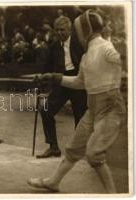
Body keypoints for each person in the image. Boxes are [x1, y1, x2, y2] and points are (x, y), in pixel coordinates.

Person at [27, 10, 126, 193]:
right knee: (73, 148)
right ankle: (53, 182)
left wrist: (123, 60)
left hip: (111, 108)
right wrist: (55, 77)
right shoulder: (87, 55)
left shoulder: (106, 48)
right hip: (93, 109)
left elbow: (120, 60)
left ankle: (114, 195)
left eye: (76, 29)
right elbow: (80, 82)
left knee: (94, 154)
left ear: (84, 30)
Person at [37, 16, 87, 158]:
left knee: (80, 117)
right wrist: (41, 80)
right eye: (57, 30)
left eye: (62, 30)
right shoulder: (53, 46)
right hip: (61, 82)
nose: (59, 33)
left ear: (69, 30)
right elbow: (46, 67)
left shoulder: (79, 43)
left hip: (77, 80)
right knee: (45, 110)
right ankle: (53, 147)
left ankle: (79, 150)